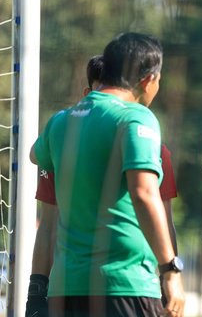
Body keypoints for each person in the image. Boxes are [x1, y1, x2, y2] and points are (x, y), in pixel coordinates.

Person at [29, 32, 185, 317]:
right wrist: (170, 270)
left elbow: (34, 155)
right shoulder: (135, 117)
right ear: (148, 80)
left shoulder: (61, 122)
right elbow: (143, 193)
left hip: (66, 288)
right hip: (125, 285)